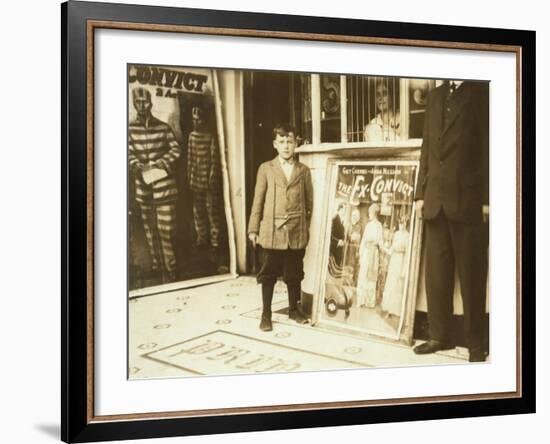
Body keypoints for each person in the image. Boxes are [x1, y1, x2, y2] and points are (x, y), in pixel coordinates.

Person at [413, 80, 489, 362]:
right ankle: (438, 336)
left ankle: (476, 345)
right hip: (435, 201)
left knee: (472, 275)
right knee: (437, 275)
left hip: (467, 200)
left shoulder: (482, 91)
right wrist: (420, 194)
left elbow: (488, 146)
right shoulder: (434, 97)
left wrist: (487, 199)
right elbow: (426, 148)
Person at [248, 124, 314, 331]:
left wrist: (304, 226)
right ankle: (266, 314)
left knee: (294, 273)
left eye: (290, 142)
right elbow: (258, 201)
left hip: (295, 230)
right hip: (271, 231)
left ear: (296, 144)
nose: (286, 146)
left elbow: (309, 202)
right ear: (275, 145)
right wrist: (253, 229)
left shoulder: (303, 171)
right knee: (268, 274)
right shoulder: (266, 169)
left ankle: (294, 310)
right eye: (282, 142)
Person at [128, 87, 181, 282]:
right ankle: (158, 266)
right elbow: (128, 152)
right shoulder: (129, 129)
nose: (142, 106)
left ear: (151, 103)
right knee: (150, 229)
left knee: (166, 229)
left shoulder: (163, 126)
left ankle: (172, 268)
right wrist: (137, 166)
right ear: (134, 104)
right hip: (144, 188)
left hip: (165, 187)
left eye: (145, 102)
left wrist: (162, 162)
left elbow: (176, 149)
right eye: (138, 102)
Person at [187, 105, 221, 249]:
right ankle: (201, 238)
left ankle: (215, 241)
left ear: (204, 121)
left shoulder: (210, 137)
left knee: (211, 211)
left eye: (199, 120)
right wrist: (189, 177)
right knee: (198, 211)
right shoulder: (192, 136)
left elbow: (214, 160)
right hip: (196, 182)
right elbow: (190, 159)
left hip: (208, 183)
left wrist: (211, 179)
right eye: (194, 120)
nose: (196, 123)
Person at [381, 216, 410, 319]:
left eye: (403, 223)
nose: (401, 225)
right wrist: (384, 248)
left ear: (406, 224)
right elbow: (391, 250)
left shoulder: (407, 236)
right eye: (400, 223)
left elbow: (407, 254)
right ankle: (389, 309)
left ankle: (396, 311)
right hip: (394, 260)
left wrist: (404, 270)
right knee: (391, 283)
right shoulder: (396, 234)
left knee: (398, 285)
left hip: (401, 261)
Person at [356, 203, 384, 308]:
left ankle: (369, 301)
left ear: (374, 213)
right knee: (363, 275)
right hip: (367, 252)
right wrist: (361, 253)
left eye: (370, 213)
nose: (369, 215)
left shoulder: (379, 226)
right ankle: (361, 300)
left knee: (372, 278)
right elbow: (363, 240)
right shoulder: (368, 225)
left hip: (374, 253)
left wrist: (384, 248)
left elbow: (380, 241)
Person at [330, 202, 347, 267]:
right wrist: (337, 242)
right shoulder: (334, 219)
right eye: (344, 209)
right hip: (334, 249)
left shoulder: (341, 220)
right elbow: (330, 235)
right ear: (340, 209)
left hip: (339, 249)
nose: (345, 211)